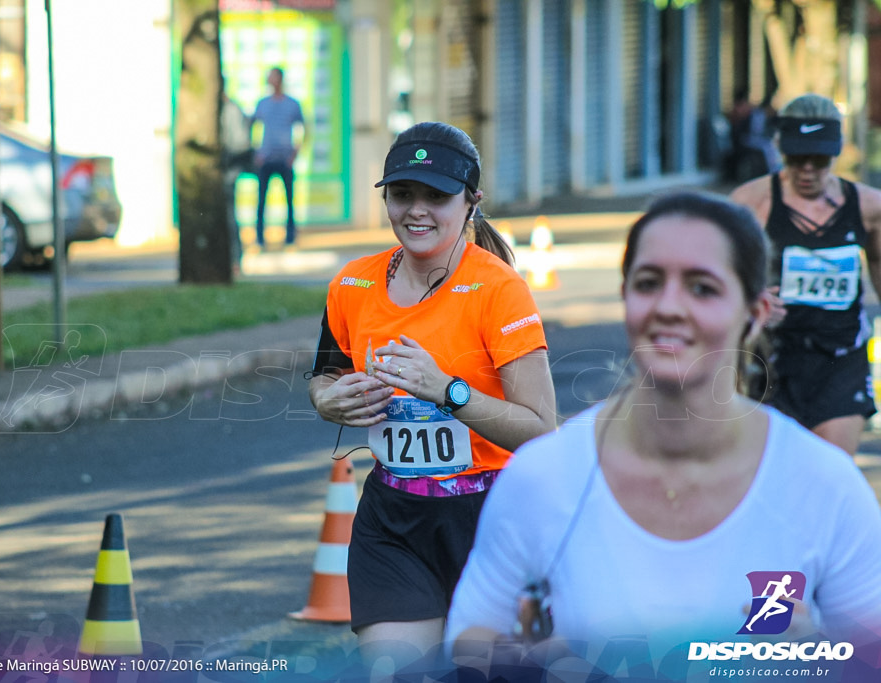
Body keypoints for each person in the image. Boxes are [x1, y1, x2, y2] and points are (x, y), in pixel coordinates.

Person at [446, 192, 881, 680]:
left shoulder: (824, 485)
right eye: (649, 283)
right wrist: (524, 665)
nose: (669, 307)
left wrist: (817, 659)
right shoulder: (543, 475)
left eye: (703, 288)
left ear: (756, 313)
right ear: (626, 297)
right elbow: (467, 643)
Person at [308, 121, 558, 671]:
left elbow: (542, 430)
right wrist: (328, 401)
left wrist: (446, 390)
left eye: (436, 196)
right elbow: (323, 377)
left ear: (472, 202)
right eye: (402, 194)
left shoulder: (498, 291)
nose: (416, 210)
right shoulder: (351, 285)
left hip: (491, 517)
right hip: (393, 521)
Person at [730, 93, 881, 456]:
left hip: (840, 357)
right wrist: (755, 303)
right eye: (797, 158)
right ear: (781, 149)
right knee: (775, 475)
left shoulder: (869, 207)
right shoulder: (750, 205)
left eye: (819, 159)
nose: (808, 170)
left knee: (830, 470)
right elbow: (720, 281)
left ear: (837, 151)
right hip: (771, 359)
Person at [251, 66, 306, 250]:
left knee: (289, 201)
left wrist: (295, 153)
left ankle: (290, 238)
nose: (270, 80)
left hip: (285, 160)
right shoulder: (262, 104)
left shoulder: (292, 104)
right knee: (261, 201)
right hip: (266, 160)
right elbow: (251, 126)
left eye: (272, 77)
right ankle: (259, 239)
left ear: (280, 79)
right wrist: (256, 152)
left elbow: (304, 128)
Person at [220, 86, 252, 272]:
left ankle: (234, 261)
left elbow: (241, 144)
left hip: (227, 171)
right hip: (217, 173)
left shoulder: (231, 110)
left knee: (229, 218)